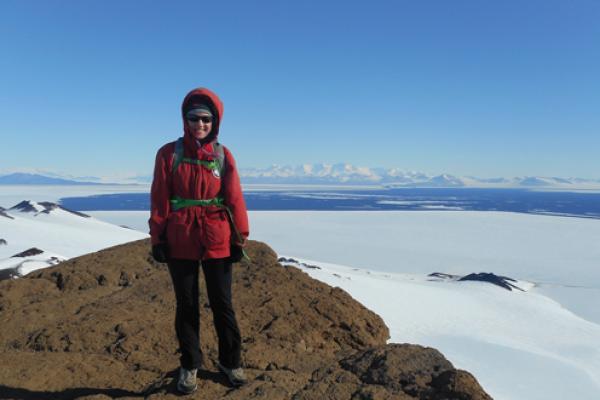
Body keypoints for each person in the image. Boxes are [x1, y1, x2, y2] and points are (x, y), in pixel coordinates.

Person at [148, 87, 249, 394]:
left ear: (214, 121)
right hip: (181, 237)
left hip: (217, 235)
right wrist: (157, 237)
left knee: (222, 304)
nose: (200, 124)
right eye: (194, 118)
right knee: (187, 304)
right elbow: (160, 197)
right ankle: (190, 364)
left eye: (206, 118)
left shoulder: (222, 154)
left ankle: (231, 362)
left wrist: (239, 238)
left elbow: (234, 197)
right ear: (185, 119)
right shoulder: (169, 153)